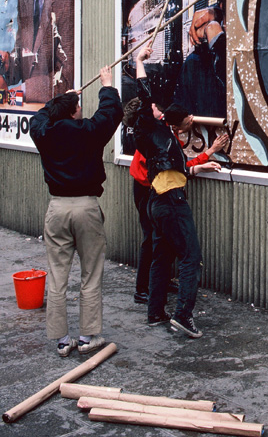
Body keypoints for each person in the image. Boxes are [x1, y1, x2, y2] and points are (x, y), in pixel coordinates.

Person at [29, 66, 123, 357]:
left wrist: (60, 99)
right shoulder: (88, 133)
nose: (81, 109)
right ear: (72, 113)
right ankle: (87, 336)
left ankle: (61, 340)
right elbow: (111, 115)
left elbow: (38, 119)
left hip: (56, 208)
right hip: (85, 207)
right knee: (90, 273)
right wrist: (107, 85)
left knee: (57, 275)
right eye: (78, 106)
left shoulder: (44, 133)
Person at [133, 44, 222, 338]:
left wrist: (204, 160)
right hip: (171, 205)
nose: (191, 123)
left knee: (162, 257)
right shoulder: (161, 134)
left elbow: (179, 170)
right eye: (188, 121)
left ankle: (156, 312)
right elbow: (146, 95)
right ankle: (183, 315)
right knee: (190, 257)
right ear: (177, 123)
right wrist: (139, 62)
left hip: (158, 203)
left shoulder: (164, 142)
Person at [123, 96, 229, 306]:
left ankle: (158, 287)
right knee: (151, 238)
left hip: (152, 189)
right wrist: (209, 153)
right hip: (148, 190)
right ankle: (142, 289)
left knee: (162, 241)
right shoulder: (154, 137)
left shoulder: (161, 130)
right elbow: (178, 165)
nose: (157, 110)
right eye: (153, 109)